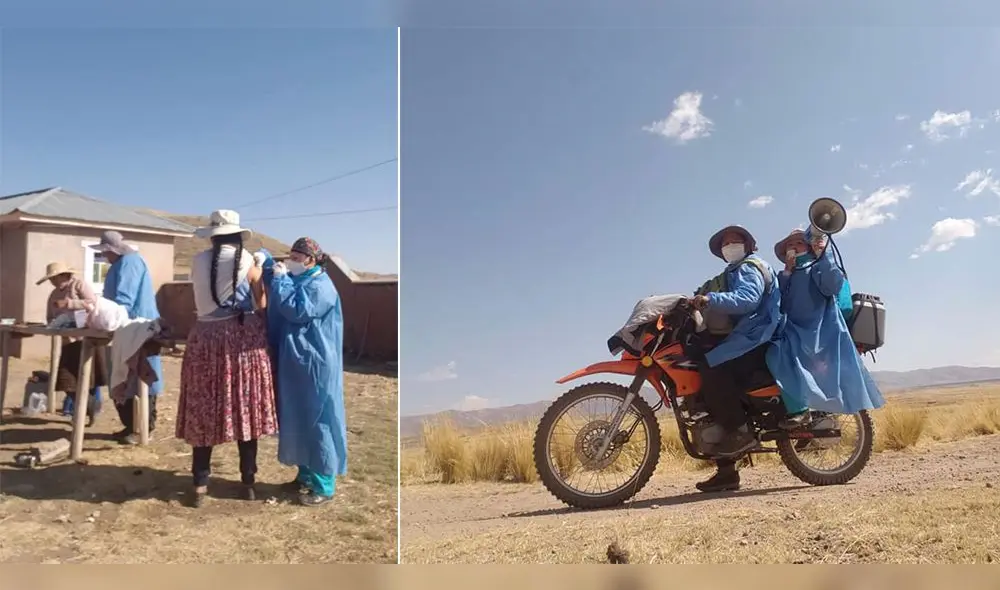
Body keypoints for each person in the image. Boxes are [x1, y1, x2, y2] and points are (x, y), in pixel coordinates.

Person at [175, 210, 277, 507]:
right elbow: (261, 303)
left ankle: (199, 484)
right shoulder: (247, 261)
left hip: (204, 339)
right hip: (240, 341)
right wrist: (258, 269)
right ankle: (248, 482)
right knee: (245, 409)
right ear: (237, 234)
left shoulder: (197, 261)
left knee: (205, 411)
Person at [688, 225, 783, 493]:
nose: (729, 245)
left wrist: (709, 300)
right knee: (706, 390)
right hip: (745, 335)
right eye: (725, 243)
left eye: (734, 241)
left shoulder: (750, 266)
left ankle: (740, 430)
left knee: (712, 366)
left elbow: (748, 300)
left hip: (758, 336)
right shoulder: (730, 272)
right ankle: (727, 472)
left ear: (747, 244)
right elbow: (705, 289)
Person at [766, 228, 885, 428]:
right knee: (772, 352)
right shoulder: (786, 276)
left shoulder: (819, 267)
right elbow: (779, 302)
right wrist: (787, 272)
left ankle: (800, 411)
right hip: (794, 329)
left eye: (799, 243)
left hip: (819, 330)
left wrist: (824, 254)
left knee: (776, 354)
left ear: (810, 247)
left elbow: (832, 285)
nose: (793, 247)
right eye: (789, 245)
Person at [263, 237, 348, 507]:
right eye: (291, 256)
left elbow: (298, 310)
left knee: (317, 418)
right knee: (298, 417)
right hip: (296, 361)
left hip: (316, 363)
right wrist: (265, 260)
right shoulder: (300, 280)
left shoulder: (322, 286)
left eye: (297, 257)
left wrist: (281, 281)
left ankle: (324, 485)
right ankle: (305, 476)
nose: (292, 261)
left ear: (311, 259)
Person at [88, 231, 163, 444]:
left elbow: (125, 300)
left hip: (138, 326)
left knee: (141, 375)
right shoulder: (119, 265)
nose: (104, 257)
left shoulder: (130, 263)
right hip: (125, 328)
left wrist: (110, 316)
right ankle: (130, 424)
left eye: (105, 253)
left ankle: (143, 427)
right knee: (124, 376)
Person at [39, 262, 104, 426]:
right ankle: (91, 406)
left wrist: (70, 304)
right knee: (67, 381)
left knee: (88, 380)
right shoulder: (53, 294)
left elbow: (93, 303)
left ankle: (85, 414)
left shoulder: (79, 284)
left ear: (63, 275)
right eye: (51, 279)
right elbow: (49, 316)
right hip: (68, 343)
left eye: (54, 278)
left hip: (86, 340)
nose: (52, 281)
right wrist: (53, 324)